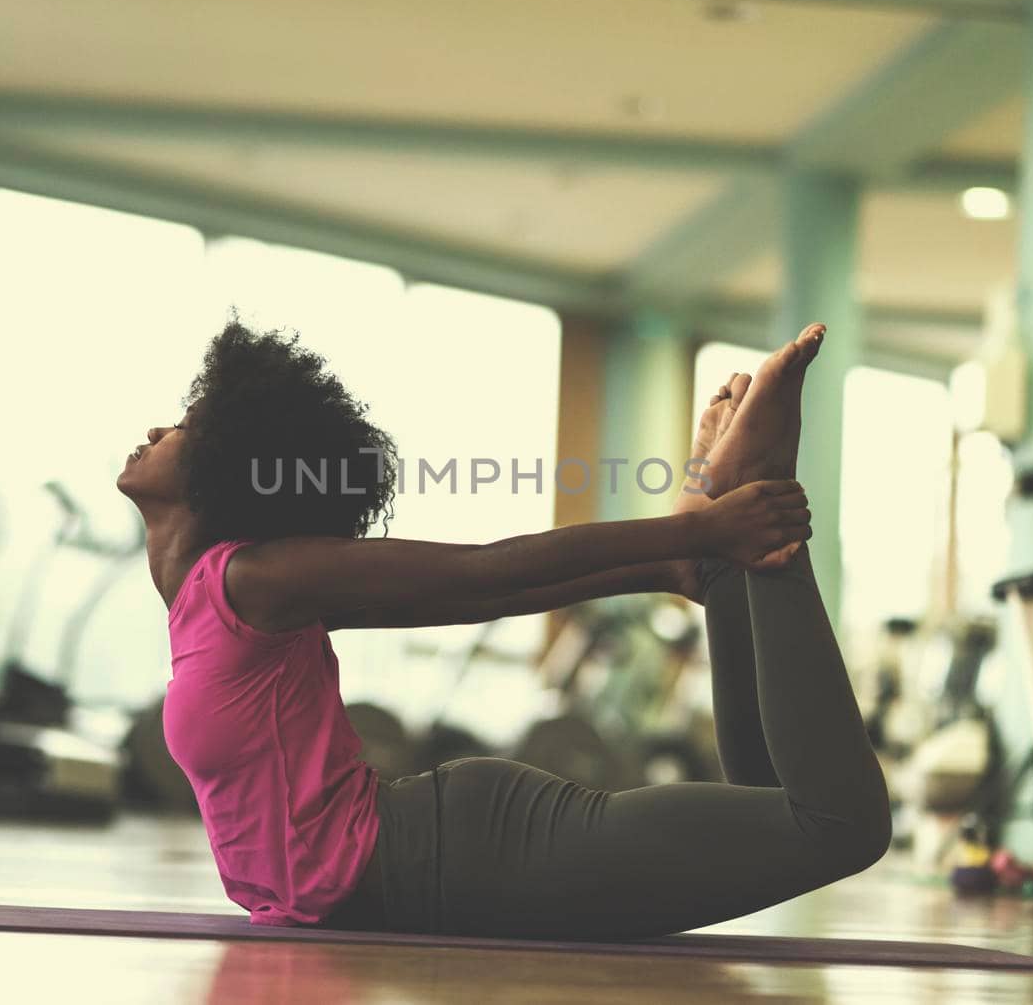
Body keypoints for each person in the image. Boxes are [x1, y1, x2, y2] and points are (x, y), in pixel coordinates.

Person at [116, 317, 890, 940]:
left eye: (184, 425)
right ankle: (725, 532)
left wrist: (693, 533)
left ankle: (761, 499)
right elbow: (473, 602)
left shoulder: (258, 577)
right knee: (769, 810)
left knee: (840, 825)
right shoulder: (213, 602)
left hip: (466, 857)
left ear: (225, 464)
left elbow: (485, 570)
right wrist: (678, 556)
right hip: (439, 868)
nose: (156, 431)